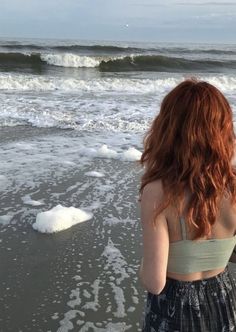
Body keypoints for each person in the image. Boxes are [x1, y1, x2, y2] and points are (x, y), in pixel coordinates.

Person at [138, 78, 236, 331]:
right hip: (224, 299)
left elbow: (154, 282)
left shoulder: (157, 192)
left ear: (168, 129)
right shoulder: (233, 185)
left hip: (174, 308)